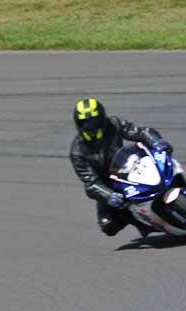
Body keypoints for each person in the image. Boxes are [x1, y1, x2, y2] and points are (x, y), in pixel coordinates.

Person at [70, 98, 173, 237]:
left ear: (102, 117)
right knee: (108, 225)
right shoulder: (77, 152)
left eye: (94, 121)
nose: (90, 126)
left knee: (165, 163)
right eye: (85, 123)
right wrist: (109, 195)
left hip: (128, 167)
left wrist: (156, 141)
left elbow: (140, 132)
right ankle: (141, 222)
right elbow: (91, 184)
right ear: (78, 124)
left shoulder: (113, 123)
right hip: (109, 185)